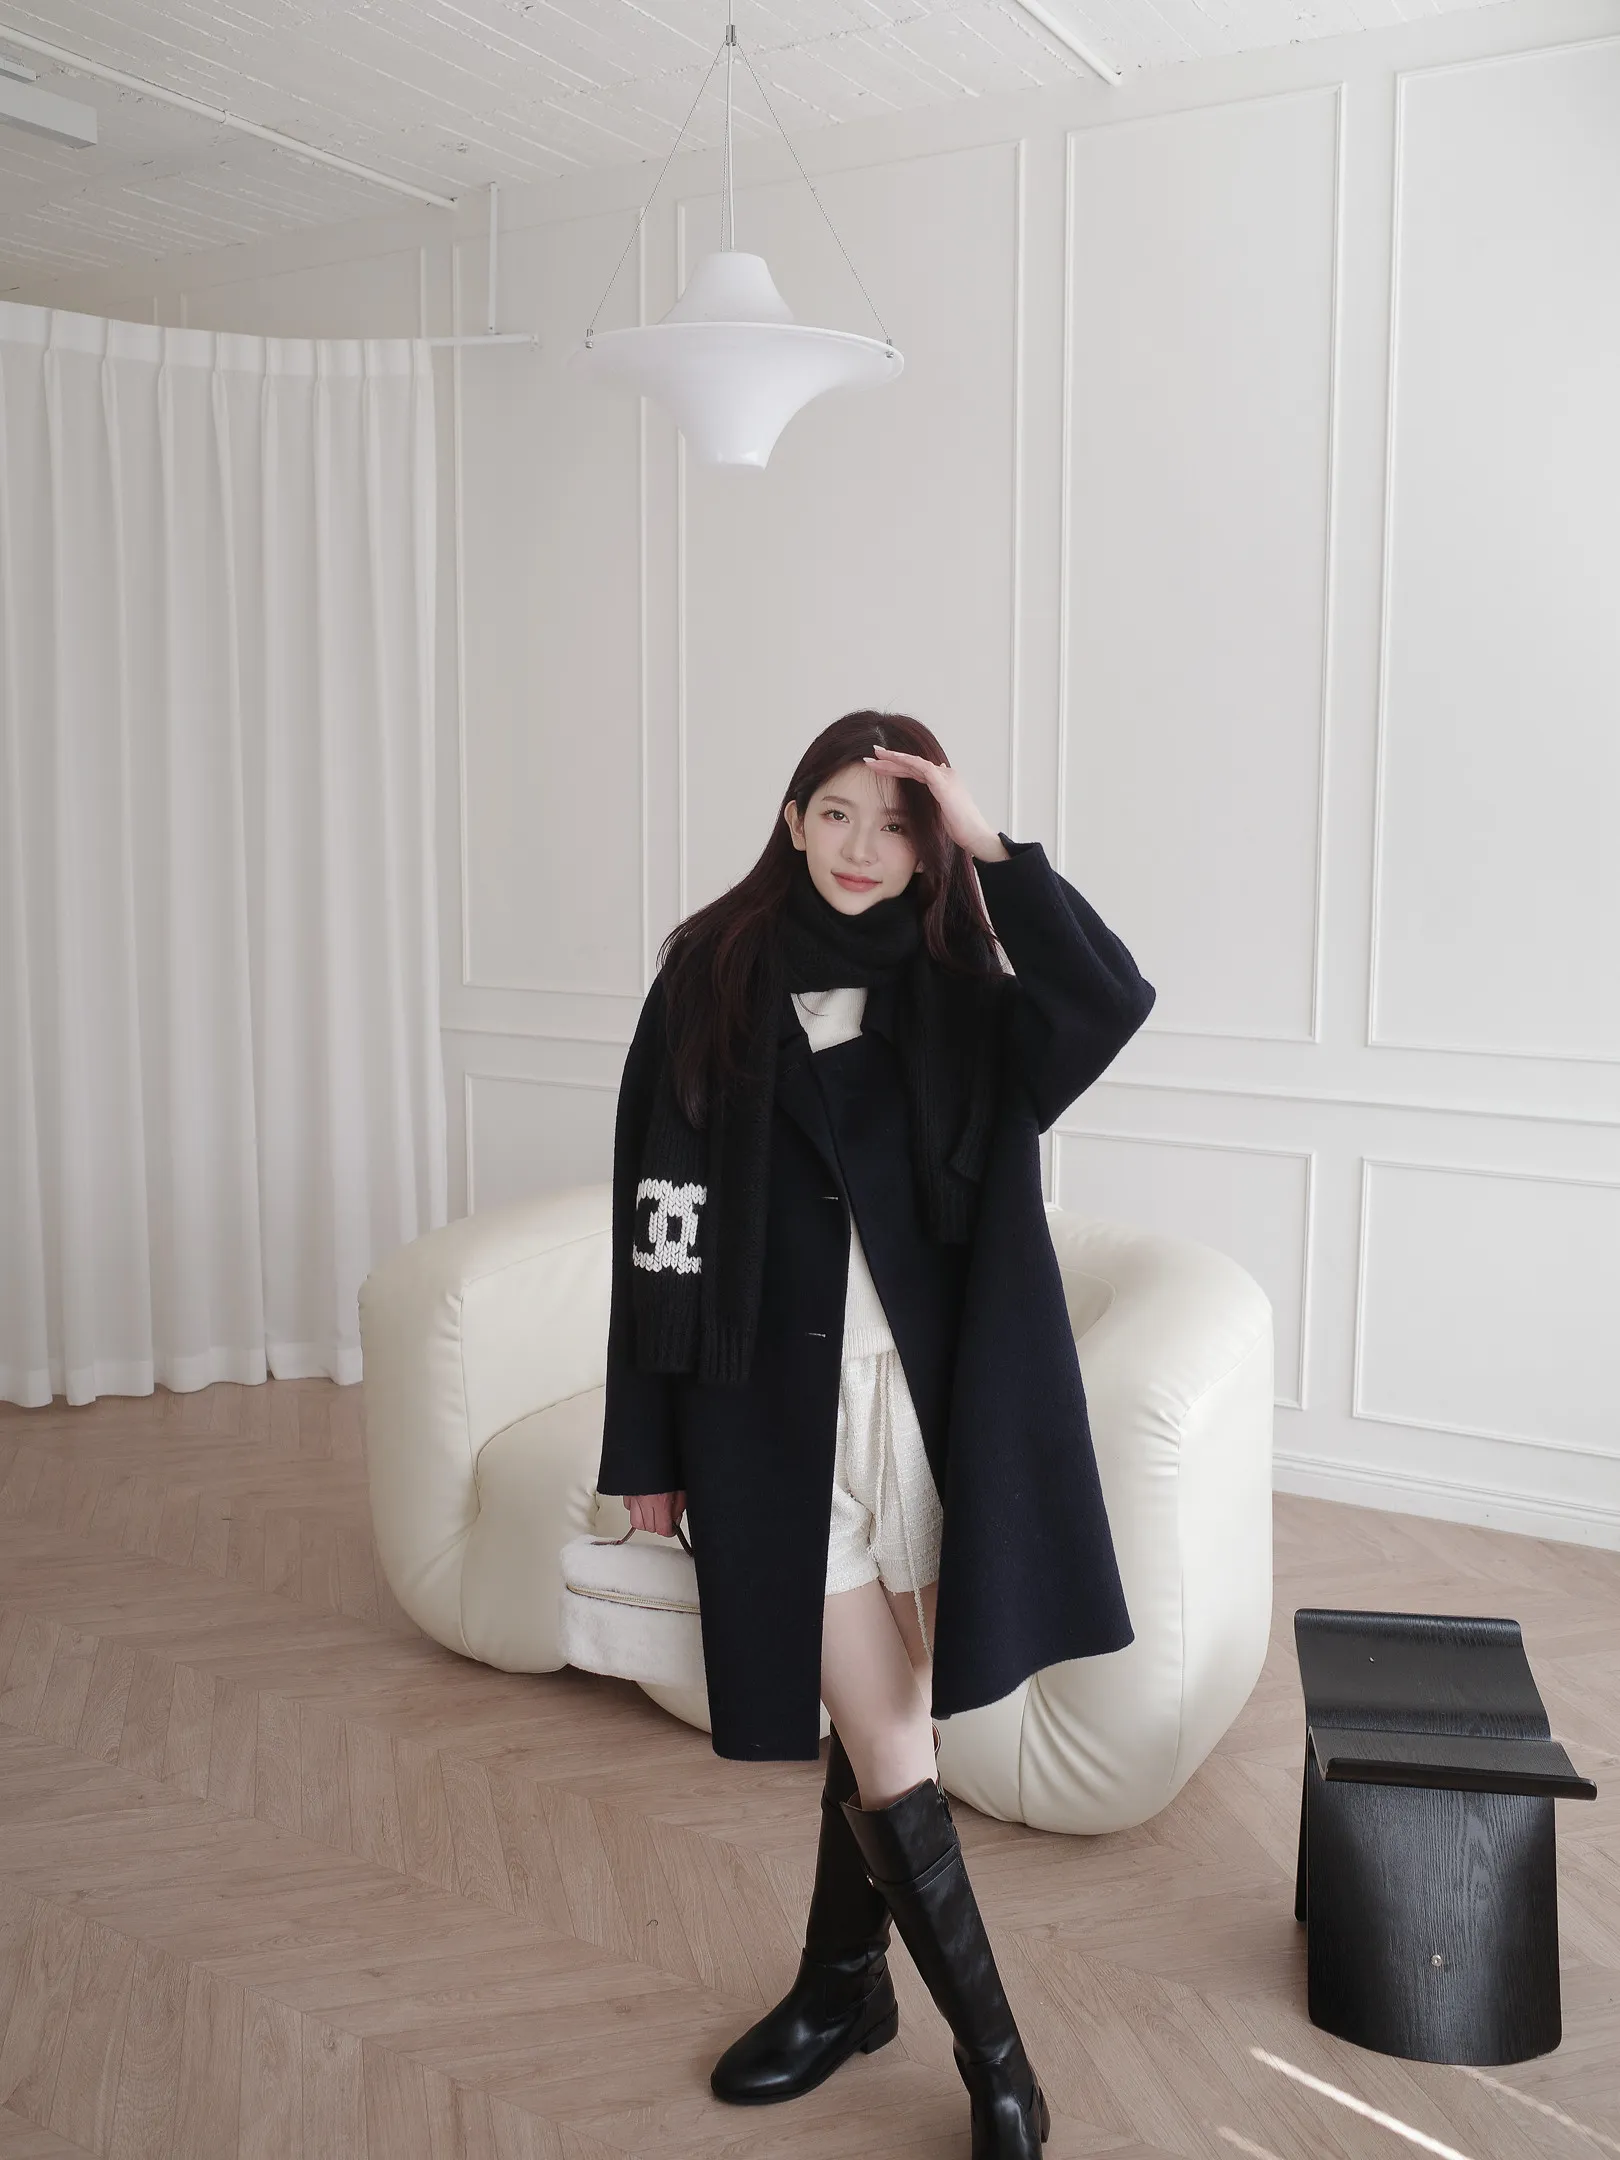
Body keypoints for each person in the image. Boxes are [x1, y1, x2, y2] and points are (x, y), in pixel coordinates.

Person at [595, 709, 1156, 2158]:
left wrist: (994, 847)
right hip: (762, 1420)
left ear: (929, 849)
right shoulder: (709, 978)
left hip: (934, 1413)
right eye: (836, 812)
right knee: (893, 1732)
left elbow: (1109, 998)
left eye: (897, 826)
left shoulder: (968, 994)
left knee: (880, 1720)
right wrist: (644, 1446)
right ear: (792, 821)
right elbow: (653, 1220)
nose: (861, 848)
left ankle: (839, 1987)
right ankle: (1001, 2068)